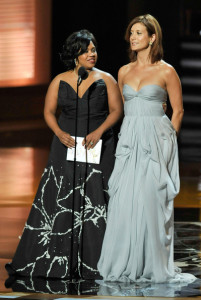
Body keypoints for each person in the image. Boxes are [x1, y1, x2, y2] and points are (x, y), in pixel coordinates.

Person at [5, 29, 123, 280]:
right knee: (60, 198)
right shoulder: (60, 81)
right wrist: (59, 133)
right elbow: (48, 112)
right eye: (87, 50)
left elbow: (116, 111)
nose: (93, 54)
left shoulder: (107, 79)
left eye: (94, 49)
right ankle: (59, 258)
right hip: (66, 145)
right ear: (76, 54)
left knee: (95, 199)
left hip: (97, 146)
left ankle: (95, 260)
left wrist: (100, 131)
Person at [98, 14, 196, 283]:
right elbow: (121, 108)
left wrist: (168, 141)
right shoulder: (123, 71)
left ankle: (153, 263)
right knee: (125, 201)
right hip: (130, 141)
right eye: (131, 33)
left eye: (139, 33)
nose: (133, 37)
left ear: (152, 37)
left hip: (157, 140)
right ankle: (125, 261)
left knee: (153, 201)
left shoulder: (167, 71)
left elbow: (178, 110)